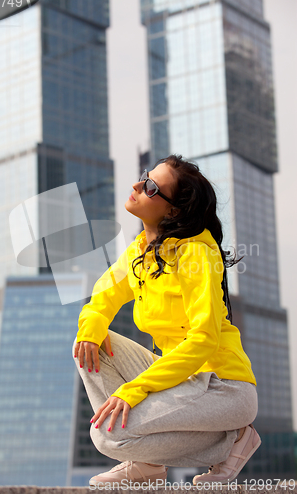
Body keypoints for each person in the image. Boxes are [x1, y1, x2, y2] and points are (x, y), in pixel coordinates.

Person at [72, 154, 260, 487]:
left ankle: (233, 439)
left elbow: (203, 340)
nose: (137, 186)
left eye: (151, 186)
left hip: (223, 387)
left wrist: (134, 390)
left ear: (172, 210)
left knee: (107, 436)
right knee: (91, 344)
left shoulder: (196, 254)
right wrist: (90, 329)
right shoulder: (140, 253)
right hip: (182, 379)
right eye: (145, 177)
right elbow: (102, 298)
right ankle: (147, 465)